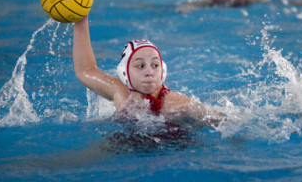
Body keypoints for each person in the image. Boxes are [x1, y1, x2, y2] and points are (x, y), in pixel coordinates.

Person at [73, 14, 211, 121]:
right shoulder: (119, 91)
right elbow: (85, 70)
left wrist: (197, 112)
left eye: (155, 65)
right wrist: (81, 20)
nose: (149, 72)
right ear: (124, 73)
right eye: (140, 66)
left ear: (163, 71)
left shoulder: (173, 102)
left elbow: (218, 117)